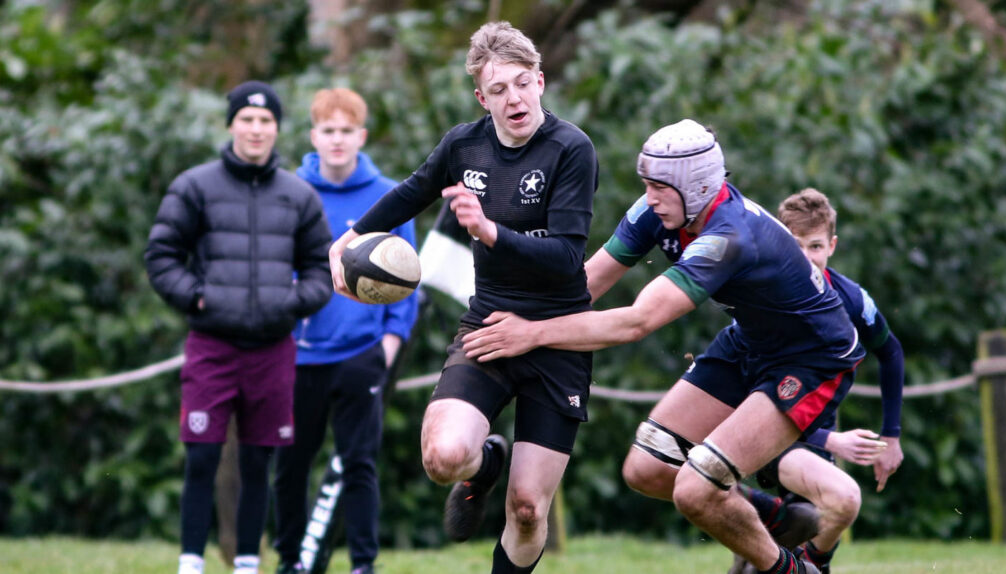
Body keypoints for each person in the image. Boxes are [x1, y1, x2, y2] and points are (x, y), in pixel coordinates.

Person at [462, 119, 864, 574]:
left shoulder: (727, 237)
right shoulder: (658, 211)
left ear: (695, 186)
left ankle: (793, 571)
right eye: (647, 185)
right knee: (645, 470)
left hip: (812, 360)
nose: (650, 197)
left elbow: (637, 321)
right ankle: (775, 516)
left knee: (694, 490)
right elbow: (586, 285)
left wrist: (531, 334)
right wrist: (513, 322)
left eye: (659, 187)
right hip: (749, 341)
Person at [326, 22, 598, 574]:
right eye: (498, 90)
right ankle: (484, 463)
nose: (513, 98)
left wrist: (490, 231)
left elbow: (569, 257)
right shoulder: (464, 144)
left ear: (540, 80)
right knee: (444, 457)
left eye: (522, 83)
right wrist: (349, 238)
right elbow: (411, 192)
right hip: (489, 322)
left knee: (526, 509)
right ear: (482, 96)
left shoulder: (571, 148)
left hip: (558, 335)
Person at [144, 80, 333, 574]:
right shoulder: (194, 186)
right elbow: (162, 256)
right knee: (202, 459)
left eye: (265, 120)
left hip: (273, 349)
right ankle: (190, 562)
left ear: (276, 128)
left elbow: (320, 269)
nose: (256, 129)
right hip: (211, 345)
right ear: (231, 124)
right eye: (246, 120)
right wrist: (195, 295)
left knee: (258, 463)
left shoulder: (299, 195)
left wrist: (292, 302)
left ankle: (247, 562)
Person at [272, 88, 420, 574]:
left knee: (359, 465)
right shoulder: (290, 190)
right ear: (314, 137)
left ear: (362, 136)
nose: (337, 140)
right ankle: (289, 562)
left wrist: (388, 346)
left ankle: (363, 565)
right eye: (328, 131)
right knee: (292, 466)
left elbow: (408, 281)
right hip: (297, 356)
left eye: (346, 132)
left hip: (361, 353)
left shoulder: (389, 195)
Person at [727, 188, 906, 574]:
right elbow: (750, 399)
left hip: (810, 440)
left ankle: (773, 552)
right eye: (795, 245)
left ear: (832, 246)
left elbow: (891, 353)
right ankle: (792, 557)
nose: (806, 257)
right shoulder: (759, 304)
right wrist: (832, 440)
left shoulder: (852, 299)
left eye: (816, 246)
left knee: (819, 514)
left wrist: (891, 435)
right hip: (762, 435)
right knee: (831, 505)